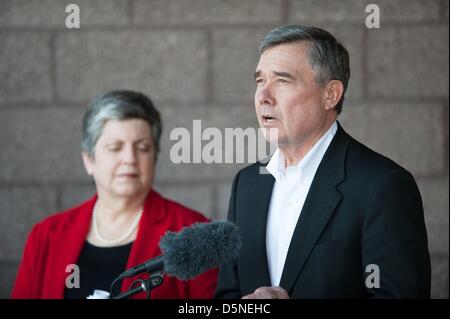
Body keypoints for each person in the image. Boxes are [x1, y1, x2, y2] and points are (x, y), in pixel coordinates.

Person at [215, 25, 431, 299]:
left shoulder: (383, 186)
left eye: (282, 80)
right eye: (260, 81)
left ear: (330, 95)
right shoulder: (247, 183)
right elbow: (226, 295)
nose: (263, 96)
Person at [12, 90, 218, 299]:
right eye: (115, 147)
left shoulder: (192, 234)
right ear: (89, 159)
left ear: (154, 156)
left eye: (143, 147)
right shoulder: (45, 236)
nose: (129, 158)